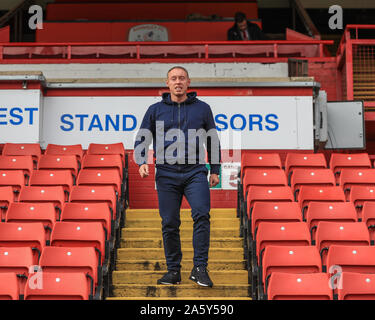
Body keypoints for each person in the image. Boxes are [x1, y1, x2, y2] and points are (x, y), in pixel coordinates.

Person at [134, 66, 221, 287]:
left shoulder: (203, 108)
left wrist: (216, 170)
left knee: (202, 214)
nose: (178, 82)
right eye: (174, 78)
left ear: (188, 82)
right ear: (167, 83)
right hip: (166, 174)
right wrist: (142, 160)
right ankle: (173, 270)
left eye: (182, 78)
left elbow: (212, 139)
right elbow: (143, 136)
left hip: (195, 172)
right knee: (169, 223)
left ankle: (200, 268)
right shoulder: (155, 109)